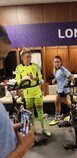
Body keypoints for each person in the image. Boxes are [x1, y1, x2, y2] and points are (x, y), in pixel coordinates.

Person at [0, 24, 34, 158]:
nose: (2, 66)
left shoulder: (34, 67)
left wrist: (9, 129)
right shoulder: (20, 68)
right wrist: (23, 148)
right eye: (0, 59)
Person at [15, 48, 51, 137]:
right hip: (27, 93)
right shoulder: (18, 68)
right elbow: (18, 81)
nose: (29, 59)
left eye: (30, 57)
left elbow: (40, 78)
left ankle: (43, 129)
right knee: (30, 114)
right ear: (23, 57)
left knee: (40, 112)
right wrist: (24, 78)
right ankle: (33, 131)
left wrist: (34, 77)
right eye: (27, 57)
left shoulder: (35, 66)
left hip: (37, 91)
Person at [49, 55, 73, 126]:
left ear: (61, 62)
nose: (57, 63)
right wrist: (54, 80)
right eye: (55, 62)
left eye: (58, 62)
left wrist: (68, 84)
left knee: (58, 103)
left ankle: (57, 119)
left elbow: (71, 77)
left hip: (63, 90)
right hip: (60, 90)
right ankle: (74, 114)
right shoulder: (56, 70)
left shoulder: (63, 69)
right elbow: (59, 78)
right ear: (53, 63)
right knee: (68, 103)